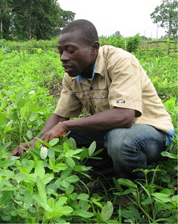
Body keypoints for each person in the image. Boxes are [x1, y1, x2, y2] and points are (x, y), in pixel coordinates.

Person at [11, 19, 175, 183]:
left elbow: (124, 116)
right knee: (67, 137)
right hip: (112, 132)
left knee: (119, 139)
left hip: (154, 134)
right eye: (60, 51)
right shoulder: (72, 75)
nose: (63, 57)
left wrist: (66, 125)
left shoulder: (120, 61)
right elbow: (60, 116)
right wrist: (36, 141)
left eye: (70, 51)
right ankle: (109, 178)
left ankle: (134, 187)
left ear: (94, 48)